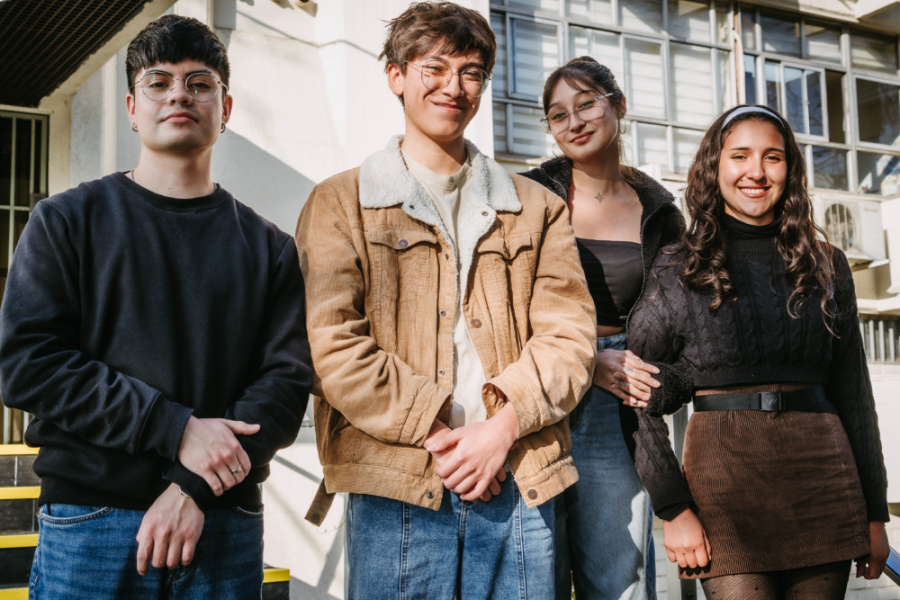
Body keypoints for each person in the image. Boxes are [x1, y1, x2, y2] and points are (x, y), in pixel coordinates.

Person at [0, 15, 312, 599]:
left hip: (224, 522)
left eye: (199, 83)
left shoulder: (270, 248)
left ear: (226, 108)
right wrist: (175, 429)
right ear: (131, 107)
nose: (179, 95)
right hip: (93, 523)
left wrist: (192, 485)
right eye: (158, 81)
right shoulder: (65, 221)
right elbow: (28, 366)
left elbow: (285, 387)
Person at [295, 2, 596, 598]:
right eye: (434, 68)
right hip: (394, 483)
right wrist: (446, 441)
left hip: (519, 474)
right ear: (396, 76)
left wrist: (500, 430)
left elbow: (569, 337)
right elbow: (329, 343)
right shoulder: (339, 202)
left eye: (470, 72)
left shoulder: (537, 207)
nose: (453, 87)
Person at [626, 104, 890, 599]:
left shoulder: (826, 264)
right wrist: (674, 508)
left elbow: (855, 395)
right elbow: (633, 395)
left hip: (822, 478)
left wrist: (876, 512)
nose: (756, 171)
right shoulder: (677, 268)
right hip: (723, 488)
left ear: (790, 169)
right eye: (740, 156)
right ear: (715, 166)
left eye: (772, 157)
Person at [522, 56, 684, 600]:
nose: (574, 122)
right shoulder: (526, 195)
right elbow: (500, 303)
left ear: (618, 105)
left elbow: (676, 320)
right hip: (538, 386)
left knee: (619, 578)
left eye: (586, 103)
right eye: (557, 114)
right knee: (533, 575)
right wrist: (586, 358)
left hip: (618, 400)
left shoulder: (660, 210)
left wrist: (656, 378)